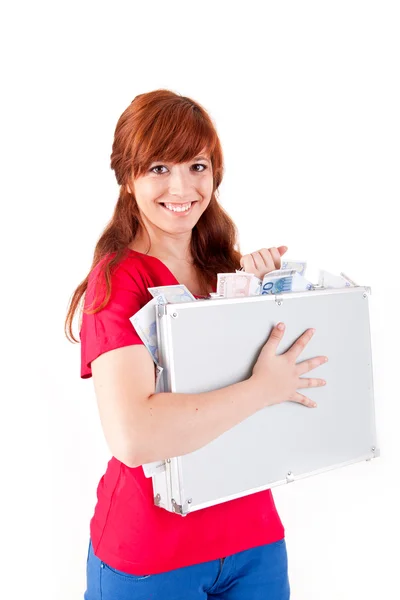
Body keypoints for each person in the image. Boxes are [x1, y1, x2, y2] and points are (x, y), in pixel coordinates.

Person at [65, 89, 328, 600]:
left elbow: (296, 380)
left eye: (197, 165)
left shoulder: (226, 268)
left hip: (253, 539)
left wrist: (269, 298)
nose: (182, 186)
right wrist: (261, 388)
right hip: (154, 555)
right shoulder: (118, 282)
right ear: (127, 177)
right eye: (159, 167)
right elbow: (135, 437)